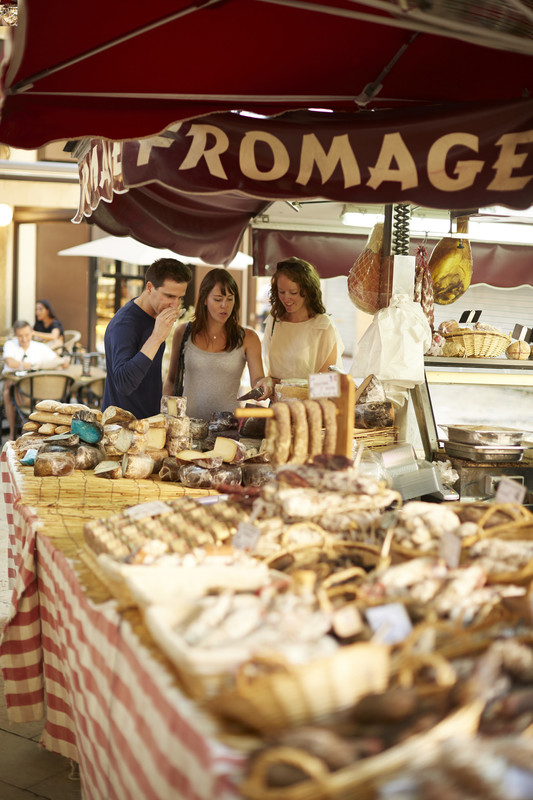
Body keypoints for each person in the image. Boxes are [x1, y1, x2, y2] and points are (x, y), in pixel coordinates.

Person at [163, 268, 265, 421]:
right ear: (204, 299)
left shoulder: (248, 338)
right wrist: (166, 417)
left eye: (230, 299)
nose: (225, 305)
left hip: (228, 430)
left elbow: (257, 381)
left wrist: (265, 384)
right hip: (187, 427)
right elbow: (171, 380)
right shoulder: (183, 332)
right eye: (218, 299)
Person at [102, 258, 192, 418]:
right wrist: (157, 337)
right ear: (149, 287)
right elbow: (123, 385)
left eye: (179, 298)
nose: (174, 305)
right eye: (169, 296)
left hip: (149, 425)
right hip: (122, 429)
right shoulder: (124, 324)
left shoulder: (155, 317)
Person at [255, 257, 344, 394]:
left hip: (308, 409)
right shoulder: (273, 322)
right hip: (276, 407)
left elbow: (327, 385)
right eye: (281, 292)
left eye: (293, 292)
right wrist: (267, 383)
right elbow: (271, 376)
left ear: (307, 291)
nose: (286, 298)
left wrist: (291, 391)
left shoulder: (323, 326)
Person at [2, 319, 70, 440]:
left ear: (32, 332)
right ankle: (14, 431)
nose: (24, 339)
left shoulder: (39, 347)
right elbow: (10, 362)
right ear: (15, 335)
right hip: (16, 386)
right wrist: (33, 365)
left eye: (27, 335)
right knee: (8, 389)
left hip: (36, 390)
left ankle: (29, 425)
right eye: (20, 336)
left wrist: (63, 361)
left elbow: (60, 361)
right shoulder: (10, 344)